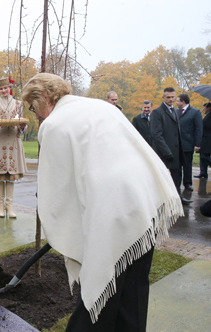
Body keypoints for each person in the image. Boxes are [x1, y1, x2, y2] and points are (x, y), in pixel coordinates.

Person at [21, 73, 183, 332]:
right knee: (133, 296)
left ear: (46, 98)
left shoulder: (53, 125)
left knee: (99, 296)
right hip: (145, 205)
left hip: (113, 213)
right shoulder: (99, 106)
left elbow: (57, 194)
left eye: (33, 106)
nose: (35, 115)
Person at [0, 77, 28, 218]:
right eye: (1, 88)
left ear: (10, 88)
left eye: (6, 88)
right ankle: (0, 206)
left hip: (14, 144)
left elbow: (21, 122)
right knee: (0, 176)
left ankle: (10, 206)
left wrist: (22, 127)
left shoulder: (18, 104)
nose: (4, 91)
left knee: (10, 177)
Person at [150, 87, 192, 205]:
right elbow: (156, 135)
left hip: (176, 149)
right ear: (163, 97)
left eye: (173, 97)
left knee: (177, 174)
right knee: (163, 177)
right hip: (164, 151)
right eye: (168, 97)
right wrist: (166, 151)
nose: (171, 99)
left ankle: (177, 196)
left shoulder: (175, 111)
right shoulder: (157, 112)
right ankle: (162, 199)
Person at [177, 93, 202, 191]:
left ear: (183, 102)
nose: (176, 102)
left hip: (188, 143)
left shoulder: (195, 112)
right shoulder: (176, 111)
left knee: (187, 164)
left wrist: (198, 143)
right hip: (177, 143)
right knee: (177, 166)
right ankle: (177, 183)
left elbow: (198, 129)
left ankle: (187, 183)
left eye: (178, 101)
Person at [194, 103, 211, 179]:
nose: (203, 109)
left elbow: (206, 125)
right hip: (204, 139)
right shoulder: (207, 115)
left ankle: (203, 172)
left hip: (208, 139)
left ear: (209, 108)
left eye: (204, 107)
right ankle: (203, 172)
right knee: (202, 156)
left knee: (204, 156)